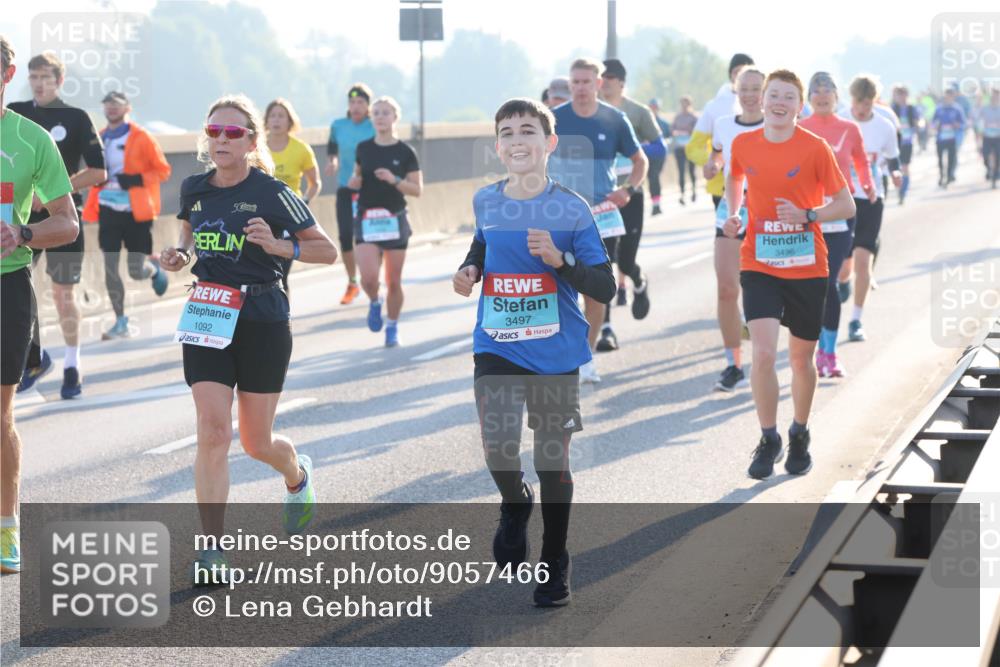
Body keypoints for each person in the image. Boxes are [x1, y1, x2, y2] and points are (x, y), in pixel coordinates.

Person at [159, 94, 336, 582]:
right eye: (214, 131)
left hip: (262, 317)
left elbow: (327, 251)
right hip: (209, 313)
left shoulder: (273, 192)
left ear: (252, 141)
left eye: (233, 132)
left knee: (256, 442)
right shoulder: (194, 188)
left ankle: (296, 475)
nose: (221, 139)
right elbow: (187, 239)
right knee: (214, 430)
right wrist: (178, 256)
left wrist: (278, 244)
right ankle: (212, 550)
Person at [453, 97, 614, 607]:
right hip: (497, 342)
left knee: (551, 461)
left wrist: (561, 260)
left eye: (528, 131)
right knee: (498, 447)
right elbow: (483, 244)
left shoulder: (572, 208)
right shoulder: (486, 200)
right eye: (507, 133)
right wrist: (470, 269)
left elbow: (605, 286)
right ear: (498, 147)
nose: (517, 140)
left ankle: (555, 559)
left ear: (549, 143)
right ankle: (514, 502)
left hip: (555, 351)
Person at [722, 69, 856, 480]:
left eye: (788, 97)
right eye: (774, 95)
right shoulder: (744, 143)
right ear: (762, 101)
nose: (780, 103)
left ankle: (799, 431)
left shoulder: (815, 148)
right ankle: (769, 438)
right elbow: (735, 176)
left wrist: (808, 215)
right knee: (763, 354)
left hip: (806, 266)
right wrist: (734, 213)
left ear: (800, 106)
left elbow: (846, 205)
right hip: (759, 263)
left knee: (800, 360)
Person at [1, 35, 80, 573]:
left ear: (7, 75)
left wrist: (22, 232)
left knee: (0, 415)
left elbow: (67, 222)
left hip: (6, 286)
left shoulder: (30, 139)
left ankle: (6, 526)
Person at [8, 51, 106, 399]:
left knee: (63, 295)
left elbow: (98, 171)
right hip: (20, 222)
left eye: (45, 78)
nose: (39, 84)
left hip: (63, 221)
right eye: (33, 77)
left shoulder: (76, 117)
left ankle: (72, 364)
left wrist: (52, 192)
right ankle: (35, 357)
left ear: (59, 81)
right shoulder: (16, 112)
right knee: (18, 290)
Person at [548, 57, 646, 383]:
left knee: (595, 291)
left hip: (601, 218)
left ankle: (586, 359)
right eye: (575, 82)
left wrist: (628, 189)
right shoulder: (554, 119)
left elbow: (640, 160)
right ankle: (561, 356)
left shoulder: (614, 119)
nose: (580, 88)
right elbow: (535, 158)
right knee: (561, 291)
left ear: (598, 83)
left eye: (586, 82)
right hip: (562, 218)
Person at [801, 72, 876, 378]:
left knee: (827, 281)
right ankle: (815, 347)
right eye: (816, 91)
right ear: (808, 98)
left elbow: (861, 161)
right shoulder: (799, 128)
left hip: (841, 213)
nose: (821, 95)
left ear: (836, 96)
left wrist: (868, 184)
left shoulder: (849, 128)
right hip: (807, 216)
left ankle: (828, 353)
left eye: (827, 90)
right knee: (812, 285)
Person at [81, 91, 172, 338]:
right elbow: (93, 170)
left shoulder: (142, 137)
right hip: (107, 210)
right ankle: (120, 321)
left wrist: (135, 179)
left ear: (127, 108)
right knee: (110, 267)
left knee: (135, 270)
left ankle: (153, 269)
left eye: (117, 104)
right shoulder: (99, 138)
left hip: (136, 212)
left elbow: (163, 171)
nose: (111, 108)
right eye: (107, 104)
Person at [703, 67, 766, 392]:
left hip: (769, 214)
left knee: (765, 290)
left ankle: (764, 359)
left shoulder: (777, 125)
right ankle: (734, 365)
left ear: (765, 92)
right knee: (727, 288)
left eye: (757, 89)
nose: (750, 95)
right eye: (745, 88)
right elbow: (717, 151)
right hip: (732, 211)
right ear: (735, 91)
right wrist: (713, 164)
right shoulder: (725, 124)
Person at [595, 58, 659, 352]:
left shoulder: (637, 112)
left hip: (631, 194)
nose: (604, 83)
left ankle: (638, 281)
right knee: (604, 261)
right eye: (601, 78)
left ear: (621, 82)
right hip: (602, 197)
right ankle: (606, 329)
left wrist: (633, 151)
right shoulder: (590, 113)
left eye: (609, 78)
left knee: (626, 260)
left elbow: (659, 147)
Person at [349, 96, 423, 347]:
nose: (380, 117)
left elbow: (417, 190)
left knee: (393, 281)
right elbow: (357, 177)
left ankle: (392, 325)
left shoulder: (405, 152)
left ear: (395, 118)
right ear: (371, 118)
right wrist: (355, 182)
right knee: (369, 279)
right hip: (367, 218)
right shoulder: (363, 148)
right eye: (376, 113)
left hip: (394, 219)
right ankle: (374, 300)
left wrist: (394, 180)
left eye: (386, 113)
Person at [838, 76, 902, 344]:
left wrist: (896, 173)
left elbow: (893, 157)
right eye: (857, 102)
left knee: (863, 261)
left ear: (874, 101)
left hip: (872, 198)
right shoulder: (840, 120)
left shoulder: (884, 126)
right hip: (842, 198)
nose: (862, 109)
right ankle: (843, 282)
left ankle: (856, 320)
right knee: (844, 267)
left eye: (867, 103)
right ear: (851, 99)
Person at [266, 97, 321, 293]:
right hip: (260, 215)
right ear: (266, 120)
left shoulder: (301, 149)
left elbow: (315, 183)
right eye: (272, 116)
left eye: (281, 116)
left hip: (288, 217)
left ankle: (283, 311)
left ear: (290, 121)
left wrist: (304, 202)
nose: (276, 120)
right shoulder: (256, 147)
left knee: (281, 274)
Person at [326, 84, 375, 305]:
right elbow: (332, 150)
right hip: (345, 188)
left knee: (370, 237)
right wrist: (333, 162)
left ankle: (372, 278)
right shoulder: (338, 125)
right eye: (352, 102)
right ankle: (353, 282)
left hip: (369, 189)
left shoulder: (374, 125)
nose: (356, 106)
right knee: (346, 235)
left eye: (360, 102)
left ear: (368, 106)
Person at [687, 53, 756, 209]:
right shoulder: (714, 107)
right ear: (730, 75)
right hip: (722, 187)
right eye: (737, 72)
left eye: (746, 71)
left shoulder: (768, 104)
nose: (741, 76)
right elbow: (693, 147)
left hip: (758, 188)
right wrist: (717, 163)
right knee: (729, 225)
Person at [890, 85, 921, 204]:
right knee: (895, 169)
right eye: (899, 95)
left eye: (903, 94)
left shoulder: (911, 108)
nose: (901, 97)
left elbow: (918, 121)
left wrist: (917, 126)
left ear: (907, 95)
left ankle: (902, 192)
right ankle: (899, 188)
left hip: (907, 142)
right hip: (895, 143)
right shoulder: (892, 109)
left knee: (905, 167)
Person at [932, 88, 966, 187]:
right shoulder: (939, 108)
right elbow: (933, 122)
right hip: (940, 138)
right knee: (940, 159)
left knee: (951, 159)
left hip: (952, 138)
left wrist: (957, 125)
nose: (948, 98)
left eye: (950, 96)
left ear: (953, 97)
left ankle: (948, 176)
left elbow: (963, 124)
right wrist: (936, 125)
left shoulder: (957, 109)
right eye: (946, 96)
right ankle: (941, 176)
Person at [671, 96, 698, 205]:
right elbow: (672, 129)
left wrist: (688, 131)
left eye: (686, 104)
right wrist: (675, 132)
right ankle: (682, 194)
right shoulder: (677, 117)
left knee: (691, 170)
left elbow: (698, 131)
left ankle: (694, 190)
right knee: (681, 171)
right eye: (682, 104)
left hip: (690, 148)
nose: (684, 106)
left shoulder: (693, 117)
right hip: (679, 148)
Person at [647, 98, 671, 216]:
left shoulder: (664, 124)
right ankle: (655, 204)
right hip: (646, 155)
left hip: (659, 155)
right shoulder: (644, 122)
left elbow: (670, 137)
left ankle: (657, 204)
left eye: (655, 107)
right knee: (651, 178)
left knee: (654, 177)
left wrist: (665, 142)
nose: (653, 109)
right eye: (651, 106)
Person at [981, 87, 1000, 189]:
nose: (994, 98)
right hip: (987, 136)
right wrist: (981, 128)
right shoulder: (985, 109)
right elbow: (978, 120)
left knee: (998, 157)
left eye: (997, 96)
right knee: (985, 155)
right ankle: (989, 169)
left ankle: (995, 177)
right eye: (993, 96)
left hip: (998, 137)